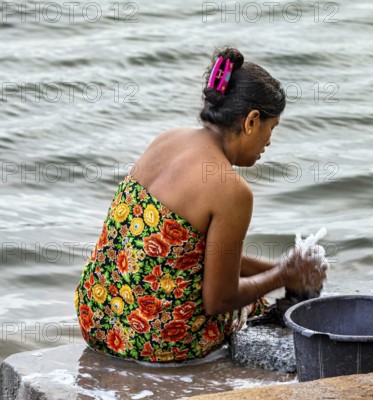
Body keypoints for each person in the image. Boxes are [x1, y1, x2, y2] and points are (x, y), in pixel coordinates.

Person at [74, 47, 327, 363]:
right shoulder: (230, 190)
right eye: (270, 129)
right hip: (155, 341)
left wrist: (284, 270)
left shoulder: (168, 140)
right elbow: (220, 299)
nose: (269, 142)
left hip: (96, 317)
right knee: (253, 306)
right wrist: (279, 278)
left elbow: (192, 252)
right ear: (251, 121)